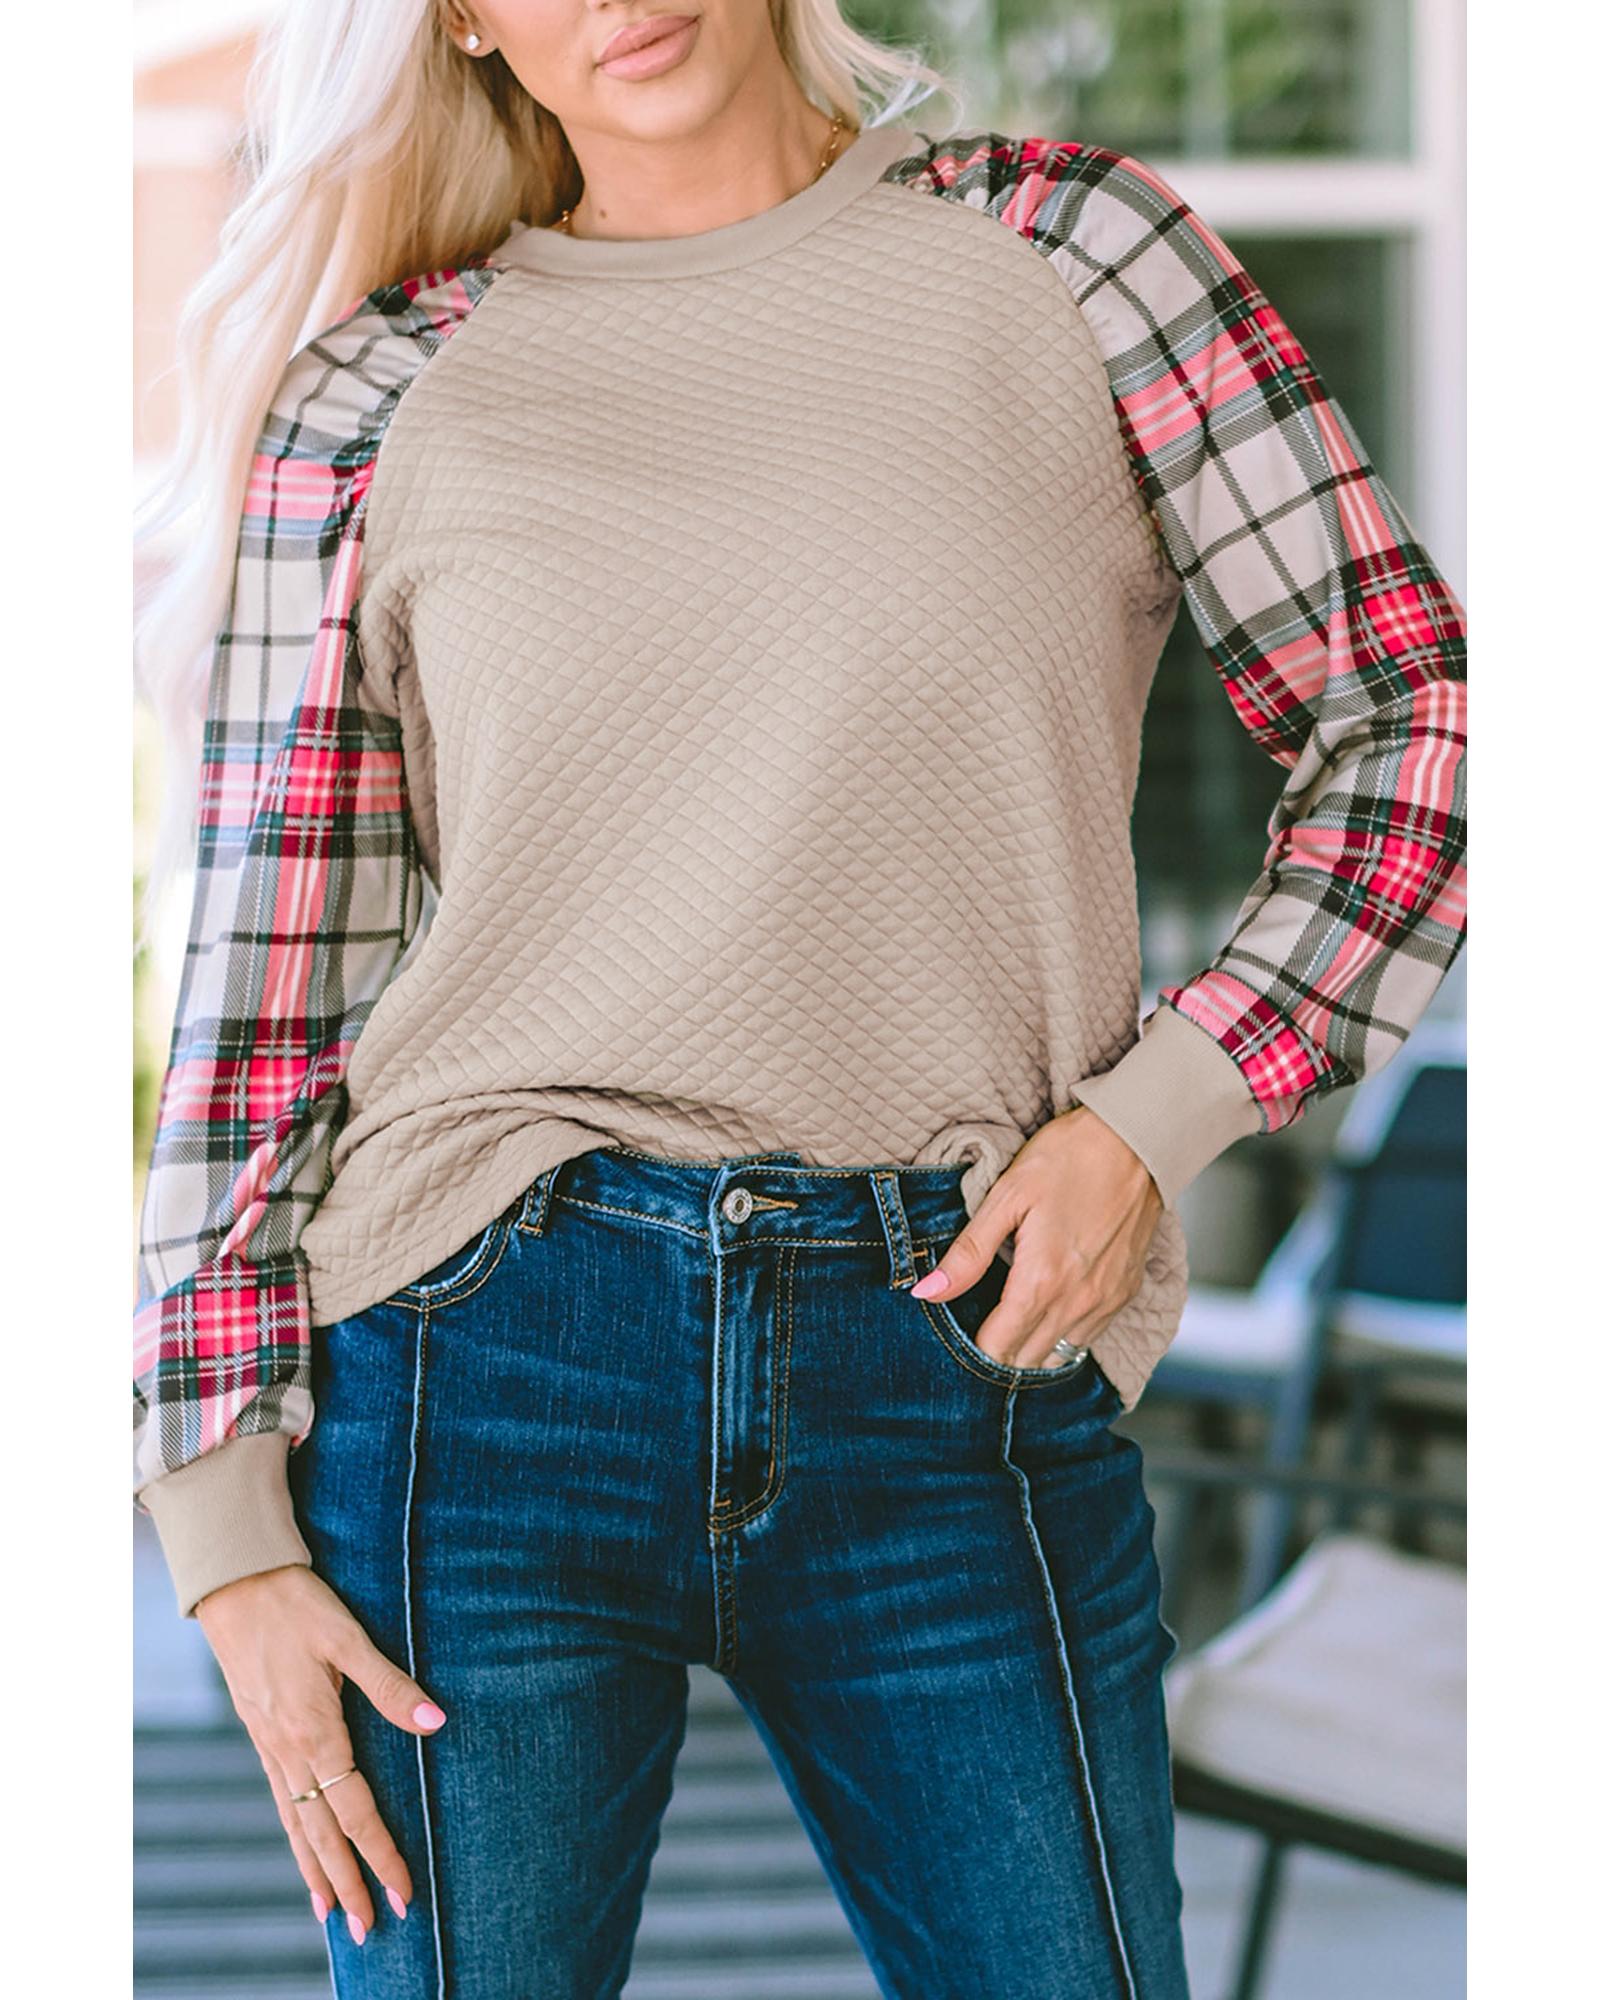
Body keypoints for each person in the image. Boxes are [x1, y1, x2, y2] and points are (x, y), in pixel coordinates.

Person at [131, 2, 1467, 1995]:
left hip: (962, 1339)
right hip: (482, 1355)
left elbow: (1412, 719)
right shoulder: (383, 391)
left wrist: (1154, 1117)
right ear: (464, 22)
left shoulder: (1074, 256)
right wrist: (224, 1523)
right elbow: (265, 981)